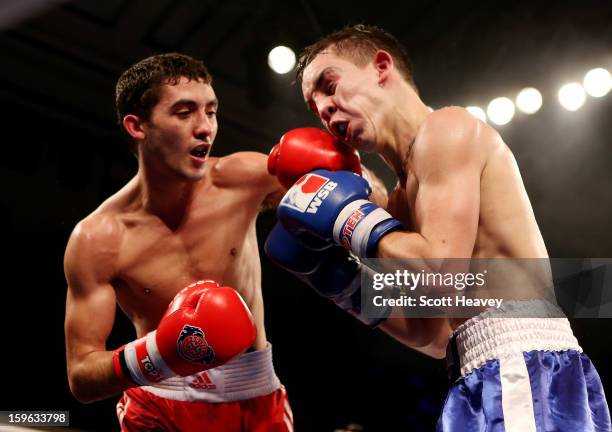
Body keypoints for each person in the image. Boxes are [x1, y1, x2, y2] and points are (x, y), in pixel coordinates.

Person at [266, 24, 611, 431]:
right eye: (314, 105)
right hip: (474, 372)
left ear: (380, 67)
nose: (324, 108)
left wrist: (349, 219)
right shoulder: (398, 203)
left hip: (524, 366)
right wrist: (341, 283)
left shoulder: (447, 128)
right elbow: (431, 334)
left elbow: (441, 274)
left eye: (329, 84)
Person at [63, 53, 296, 431]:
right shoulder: (99, 238)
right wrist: (161, 353)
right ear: (137, 126)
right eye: (184, 112)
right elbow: (81, 377)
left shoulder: (243, 179)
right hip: (159, 403)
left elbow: (369, 195)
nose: (205, 128)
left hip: (254, 397)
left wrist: (349, 173)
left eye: (211, 111)